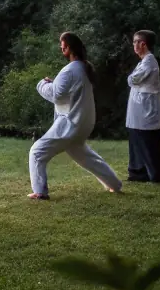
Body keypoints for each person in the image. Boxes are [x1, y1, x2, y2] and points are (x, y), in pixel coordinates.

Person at [27, 32, 123, 200]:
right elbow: (67, 92)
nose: (60, 47)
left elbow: (56, 95)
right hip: (83, 123)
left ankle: (40, 192)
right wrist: (54, 83)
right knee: (87, 158)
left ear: (68, 47)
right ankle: (115, 184)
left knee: (37, 152)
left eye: (62, 44)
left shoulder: (70, 70)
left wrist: (42, 84)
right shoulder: (83, 68)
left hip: (70, 123)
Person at [125, 29, 160, 183]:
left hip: (146, 110)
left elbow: (133, 80)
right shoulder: (143, 62)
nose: (134, 45)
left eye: (135, 42)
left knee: (148, 142)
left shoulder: (149, 62)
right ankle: (138, 173)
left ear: (143, 44)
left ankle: (157, 175)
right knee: (137, 140)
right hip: (138, 109)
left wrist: (131, 78)